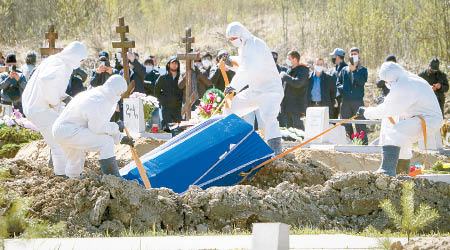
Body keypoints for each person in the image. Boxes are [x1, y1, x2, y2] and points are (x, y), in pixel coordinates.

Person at [357, 62, 443, 176]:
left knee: (394, 133)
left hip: (427, 120)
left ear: (390, 78)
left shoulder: (404, 85)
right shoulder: (410, 79)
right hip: (425, 118)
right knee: (402, 140)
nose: (386, 83)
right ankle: (402, 174)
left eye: (386, 81)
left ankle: (386, 171)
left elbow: (388, 109)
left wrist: (366, 112)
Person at [22, 41, 88, 176]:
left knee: (58, 143)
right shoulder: (60, 64)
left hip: (38, 107)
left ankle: (62, 175)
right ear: (74, 55)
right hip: (40, 109)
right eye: (80, 59)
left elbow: (53, 85)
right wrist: (53, 101)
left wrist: (63, 97)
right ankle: (64, 176)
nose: (80, 62)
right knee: (60, 142)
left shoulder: (58, 61)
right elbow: (46, 82)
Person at [52, 75, 134, 178]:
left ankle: (73, 182)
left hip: (61, 130)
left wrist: (120, 137)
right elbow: (97, 128)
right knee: (106, 142)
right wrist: (116, 126)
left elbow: (102, 126)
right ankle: (114, 180)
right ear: (118, 91)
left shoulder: (97, 94)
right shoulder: (99, 100)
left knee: (76, 160)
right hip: (70, 130)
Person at [223, 22, 284, 155]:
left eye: (234, 38)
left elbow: (249, 68)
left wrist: (234, 85)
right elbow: (243, 64)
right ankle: (231, 144)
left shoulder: (255, 44)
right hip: (255, 90)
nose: (233, 42)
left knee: (269, 118)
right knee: (230, 107)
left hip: (270, 91)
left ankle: (276, 152)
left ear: (241, 35)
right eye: (231, 40)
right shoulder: (244, 47)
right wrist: (229, 62)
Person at [337, 47, 368, 144]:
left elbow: (362, 82)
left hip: (358, 101)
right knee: (346, 125)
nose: (353, 55)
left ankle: (363, 146)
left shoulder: (363, 70)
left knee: (360, 126)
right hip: (346, 102)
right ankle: (348, 145)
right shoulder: (344, 69)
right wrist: (345, 90)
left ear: (359, 55)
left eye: (355, 53)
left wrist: (354, 71)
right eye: (351, 54)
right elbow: (338, 84)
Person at [279, 51, 309, 130]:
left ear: (295, 59)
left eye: (289, 58)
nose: (287, 60)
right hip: (287, 107)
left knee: (299, 130)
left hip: (297, 108)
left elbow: (298, 83)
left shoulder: (303, 70)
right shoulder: (289, 70)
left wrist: (285, 76)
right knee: (290, 131)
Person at [155, 56, 183, 131]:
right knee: (166, 129)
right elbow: (156, 91)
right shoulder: (163, 77)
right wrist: (163, 99)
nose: (174, 65)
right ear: (168, 65)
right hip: (166, 108)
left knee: (178, 129)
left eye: (176, 63)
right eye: (172, 63)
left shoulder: (182, 77)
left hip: (177, 108)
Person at [329, 48, 347, 119]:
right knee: (333, 119)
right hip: (334, 98)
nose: (332, 58)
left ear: (338, 57)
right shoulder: (335, 68)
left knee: (343, 121)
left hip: (342, 99)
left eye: (333, 56)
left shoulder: (346, 68)